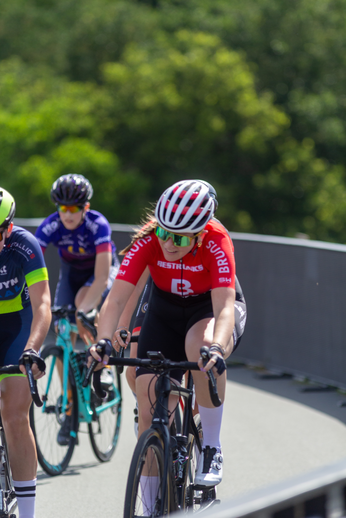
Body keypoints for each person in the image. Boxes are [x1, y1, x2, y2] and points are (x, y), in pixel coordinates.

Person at [89, 179, 247, 493]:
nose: (168, 243)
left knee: (199, 349)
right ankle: (149, 508)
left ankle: (212, 448)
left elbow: (225, 307)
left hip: (208, 309)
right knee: (147, 408)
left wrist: (217, 347)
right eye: (163, 232)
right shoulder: (151, 238)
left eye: (178, 237)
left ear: (200, 234)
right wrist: (103, 341)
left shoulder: (217, 241)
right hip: (165, 310)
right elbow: (117, 298)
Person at [35, 173, 120, 444]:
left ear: (86, 207)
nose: (67, 214)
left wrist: (84, 309)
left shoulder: (98, 225)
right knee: (61, 330)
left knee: (83, 310)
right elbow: (32, 263)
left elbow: (103, 274)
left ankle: (102, 367)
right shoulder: (50, 225)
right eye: (62, 208)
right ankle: (70, 402)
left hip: (100, 272)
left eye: (73, 209)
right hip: (71, 274)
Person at [0, 187, 51, 518]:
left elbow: (43, 303)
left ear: (6, 228)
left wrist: (32, 349)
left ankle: (29, 513)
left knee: (14, 413)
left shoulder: (23, 245)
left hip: (19, 326)